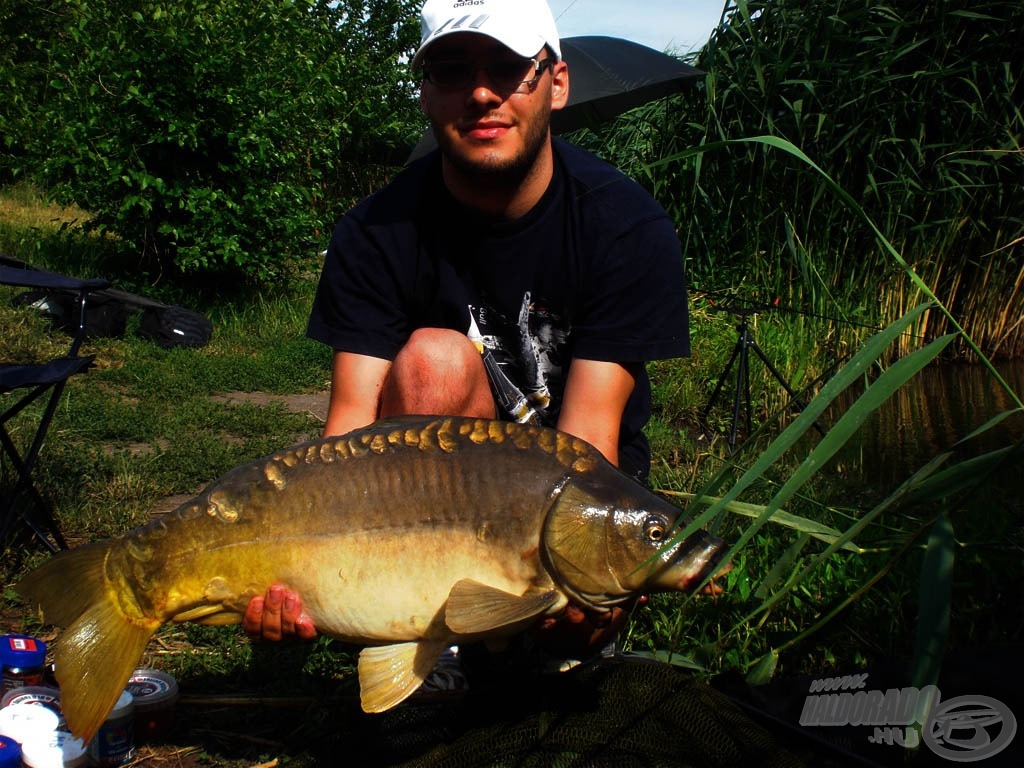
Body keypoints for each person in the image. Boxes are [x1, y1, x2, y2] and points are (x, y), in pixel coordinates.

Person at [242, 0, 691, 662]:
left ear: (556, 82)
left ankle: (514, 637)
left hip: (565, 491)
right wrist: (294, 567)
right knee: (436, 360)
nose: (481, 93)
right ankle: (432, 650)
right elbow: (345, 440)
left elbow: (590, 444)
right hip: (425, 496)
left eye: (509, 69)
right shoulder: (376, 230)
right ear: (424, 92)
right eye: (452, 71)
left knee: (568, 608)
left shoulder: (625, 226)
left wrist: (581, 583)